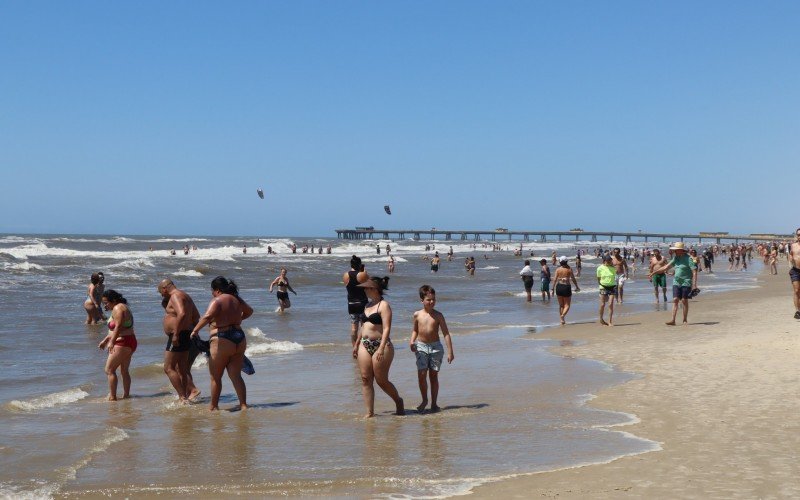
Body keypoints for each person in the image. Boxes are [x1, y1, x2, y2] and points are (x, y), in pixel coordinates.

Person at [190, 276, 253, 411]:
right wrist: (238, 320)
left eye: (212, 291)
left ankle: (213, 407)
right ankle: (243, 405)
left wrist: (195, 331)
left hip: (222, 338)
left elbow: (207, 317)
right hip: (239, 337)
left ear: (217, 290)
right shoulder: (237, 299)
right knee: (236, 375)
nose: (212, 293)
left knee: (215, 377)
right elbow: (249, 311)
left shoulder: (217, 300)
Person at [352, 277, 404, 418]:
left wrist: (381, 347)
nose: (364, 290)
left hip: (382, 344)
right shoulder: (367, 305)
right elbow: (363, 327)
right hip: (365, 344)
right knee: (365, 378)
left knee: (381, 380)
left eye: (366, 288)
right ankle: (369, 412)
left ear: (374, 289)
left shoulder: (384, 305)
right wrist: (356, 344)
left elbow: (387, 328)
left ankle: (398, 401)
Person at [410, 285, 454, 413]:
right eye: (428, 300)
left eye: (433, 299)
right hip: (421, 346)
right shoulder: (417, 315)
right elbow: (415, 330)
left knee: (433, 376)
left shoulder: (439, 315)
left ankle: (434, 403)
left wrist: (450, 351)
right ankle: (424, 400)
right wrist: (411, 341)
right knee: (422, 374)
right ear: (421, 300)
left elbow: (446, 333)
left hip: (436, 347)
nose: (432, 302)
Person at [158, 279, 202, 402]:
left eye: (161, 292)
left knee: (168, 368)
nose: (162, 295)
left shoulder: (175, 296)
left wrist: (176, 333)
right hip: (186, 334)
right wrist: (190, 330)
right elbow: (196, 316)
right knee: (182, 367)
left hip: (178, 335)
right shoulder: (185, 296)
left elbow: (181, 313)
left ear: (164, 288)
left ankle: (182, 397)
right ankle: (186, 397)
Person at [98, 290, 136, 401]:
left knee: (109, 370)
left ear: (113, 300)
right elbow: (119, 328)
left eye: (106, 302)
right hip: (129, 341)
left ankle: (113, 397)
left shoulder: (117, 308)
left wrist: (112, 342)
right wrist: (106, 339)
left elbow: (118, 327)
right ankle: (126, 395)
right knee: (124, 370)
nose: (105, 305)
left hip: (122, 342)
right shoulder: (123, 307)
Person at [649, 242, 697, 326]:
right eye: (675, 250)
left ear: (681, 250)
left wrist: (694, 284)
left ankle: (685, 319)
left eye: (676, 250)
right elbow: (666, 267)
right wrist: (654, 272)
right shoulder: (676, 258)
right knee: (675, 300)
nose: (675, 252)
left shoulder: (688, 259)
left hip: (686, 281)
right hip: (676, 281)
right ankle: (673, 320)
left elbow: (694, 271)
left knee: (684, 300)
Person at [344, 255, 370, 346]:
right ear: (359, 265)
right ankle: (363, 346)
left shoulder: (346, 275)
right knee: (363, 326)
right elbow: (370, 284)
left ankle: (354, 346)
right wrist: (364, 271)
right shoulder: (362, 274)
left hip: (351, 304)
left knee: (354, 328)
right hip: (362, 303)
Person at [552, 257, 580, 324]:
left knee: (561, 305)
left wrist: (552, 289)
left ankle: (562, 320)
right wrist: (576, 286)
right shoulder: (569, 269)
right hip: (566, 287)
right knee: (567, 305)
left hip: (558, 287)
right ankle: (562, 316)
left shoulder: (558, 269)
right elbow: (573, 279)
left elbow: (555, 279)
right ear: (566, 262)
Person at [596, 255, 616, 326]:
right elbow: (598, 278)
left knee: (610, 304)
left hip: (612, 287)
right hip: (603, 287)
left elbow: (613, 277)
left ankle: (610, 322)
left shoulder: (613, 268)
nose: (610, 262)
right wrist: (600, 286)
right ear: (604, 261)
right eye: (608, 261)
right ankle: (601, 319)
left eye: (611, 260)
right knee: (602, 304)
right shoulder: (599, 268)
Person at [789, 228, 800, 319]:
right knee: (796, 291)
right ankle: (797, 311)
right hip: (795, 270)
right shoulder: (793, 245)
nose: (799, 236)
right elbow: (790, 255)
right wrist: (790, 262)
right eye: (798, 235)